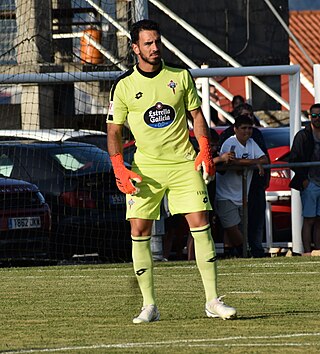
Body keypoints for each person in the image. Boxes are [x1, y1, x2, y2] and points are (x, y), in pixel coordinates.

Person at [107, 19, 236, 323]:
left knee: (201, 223)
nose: (154, 48)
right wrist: (118, 167)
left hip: (183, 164)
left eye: (157, 42)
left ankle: (212, 301)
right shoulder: (124, 85)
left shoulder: (180, 76)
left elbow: (197, 115)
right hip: (146, 169)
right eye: (148, 43)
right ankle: (150, 305)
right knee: (138, 230)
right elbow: (114, 131)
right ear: (135, 48)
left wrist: (204, 149)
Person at [219, 103, 270, 257]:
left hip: (242, 195)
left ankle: (232, 254)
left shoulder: (252, 142)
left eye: (249, 128)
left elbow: (265, 159)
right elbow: (231, 161)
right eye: (244, 128)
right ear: (235, 128)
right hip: (226, 194)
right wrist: (255, 163)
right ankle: (245, 250)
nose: (247, 131)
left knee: (238, 228)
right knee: (231, 227)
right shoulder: (230, 142)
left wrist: (256, 162)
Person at [289, 103, 320, 256]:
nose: (317, 118)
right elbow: (293, 160)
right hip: (310, 182)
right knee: (309, 219)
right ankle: (307, 252)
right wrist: (303, 180)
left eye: (319, 115)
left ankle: (318, 251)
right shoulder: (303, 135)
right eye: (314, 115)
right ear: (309, 117)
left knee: (319, 220)